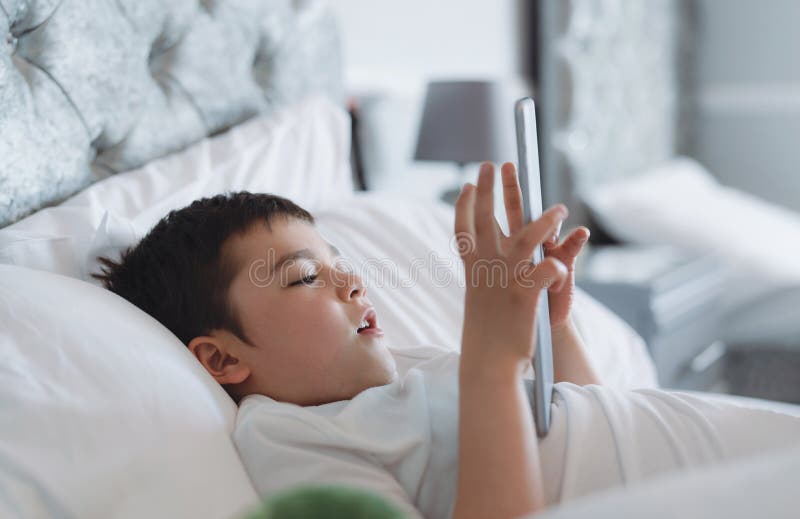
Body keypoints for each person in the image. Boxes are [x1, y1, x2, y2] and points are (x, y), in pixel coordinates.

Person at [96, 162, 800, 519]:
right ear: (221, 356)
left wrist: (549, 330)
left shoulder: (411, 369)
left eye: (341, 260)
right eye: (305, 275)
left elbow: (587, 413)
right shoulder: (286, 437)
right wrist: (493, 365)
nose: (351, 283)